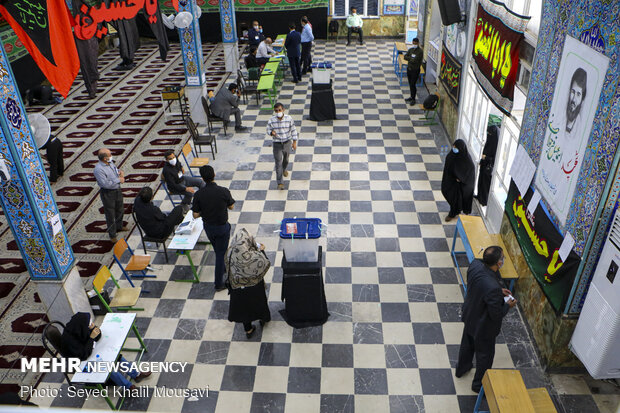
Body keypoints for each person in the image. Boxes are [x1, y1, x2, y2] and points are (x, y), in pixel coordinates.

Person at [455, 246, 517, 393]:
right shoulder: (493, 287)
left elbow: (479, 285)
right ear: (498, 263)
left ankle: (461, 369)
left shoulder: (475, 264)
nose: (503, 260)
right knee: (485, 357)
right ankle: (478, 385)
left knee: (467, 344)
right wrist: (508, 305)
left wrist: (498, 291)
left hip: (470, 314)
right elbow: (495, 314)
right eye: (502, 258)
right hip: (483, 328)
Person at [61, 312, 151, 390]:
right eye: (89, 324)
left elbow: (97, 337)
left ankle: (136, 374)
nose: (91, 325)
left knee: (116, 356)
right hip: (80, 362)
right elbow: (83, 355)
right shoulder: (69, 340)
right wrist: (91, 338)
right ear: (83, 326)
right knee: (107, 366)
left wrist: (94, 329)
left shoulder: (80, 328)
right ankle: (128, 386)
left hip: (89, 352)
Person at [192, 165, 235, 292]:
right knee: (220, 254)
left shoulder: (199, 194)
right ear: (214, 175)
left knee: (218, 250)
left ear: (203, 178)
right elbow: (231, 207)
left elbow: (195, 214)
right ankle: (218, 283)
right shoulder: (223, 191)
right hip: (222, 227)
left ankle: (223, 267)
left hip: (209, 228)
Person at [225, 228, 271, 339]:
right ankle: (263, 319)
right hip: (254, 287)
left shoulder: (230, 252)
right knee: (259, 303)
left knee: (243, 308)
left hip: (237, 288)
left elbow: (227, 268)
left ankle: (248, 329)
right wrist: (261, 251)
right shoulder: (253, 257)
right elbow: (265, 263)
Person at [94, 148, 127, 243]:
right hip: (108, 193)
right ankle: (112, 234)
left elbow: (115, 170)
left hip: (117, 190)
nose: (111, 156)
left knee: (120, 209)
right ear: (104, 158)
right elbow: (105, 184)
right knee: (110, 214)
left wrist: (120, 173)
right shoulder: (98, 170)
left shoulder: (110, 163)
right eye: (109, 154)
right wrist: (118, 180)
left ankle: (119, 226)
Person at [442, 139, 475, 222]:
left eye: (456, 147)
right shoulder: (451, 155)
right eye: (454, 146)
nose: (453, 148)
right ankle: (455, 210)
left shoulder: (467, 160)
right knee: (447, 192)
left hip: (463, 184)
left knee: (460, 198)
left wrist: (461, 178)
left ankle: (453, 213)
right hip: (452, 181)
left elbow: (469, 173)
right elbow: (448, 167)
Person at [267, 102, 298, 190]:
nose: (278, 112)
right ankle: (280, 182)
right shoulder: (271, 120)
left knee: (286, 159)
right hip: (277, 144)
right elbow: (268, 129)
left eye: (279, 110)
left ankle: (284, 169)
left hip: (287, 142)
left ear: (283, 110)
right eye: (276, 111)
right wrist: (271, 133)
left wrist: (294, 142)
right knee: (278, 163)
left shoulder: (289, 119)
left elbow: (293, 130)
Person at [476, 125, 499, 206]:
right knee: (480, 181)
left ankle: (484, 200)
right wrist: (482, 160)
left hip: (488, 168)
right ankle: (479, 196)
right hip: (484, 165)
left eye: (489, 133)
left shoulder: (497, 146)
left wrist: (486, 157)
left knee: (485, 185)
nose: (488, 135)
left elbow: (495, 158)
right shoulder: (490, 141)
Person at [404, 38, 424, 105]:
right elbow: (405, 57)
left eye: (415, 43)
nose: (414, 44)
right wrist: (411, 58)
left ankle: (413, 99)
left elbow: (415, 60)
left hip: (415, 70)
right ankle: (411, 96)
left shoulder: (420, 51)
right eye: (413, 43)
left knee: (413, 84)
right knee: (410, 84)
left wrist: (410, 59)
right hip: (409, 69)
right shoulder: (411, 50)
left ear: (418, 43)